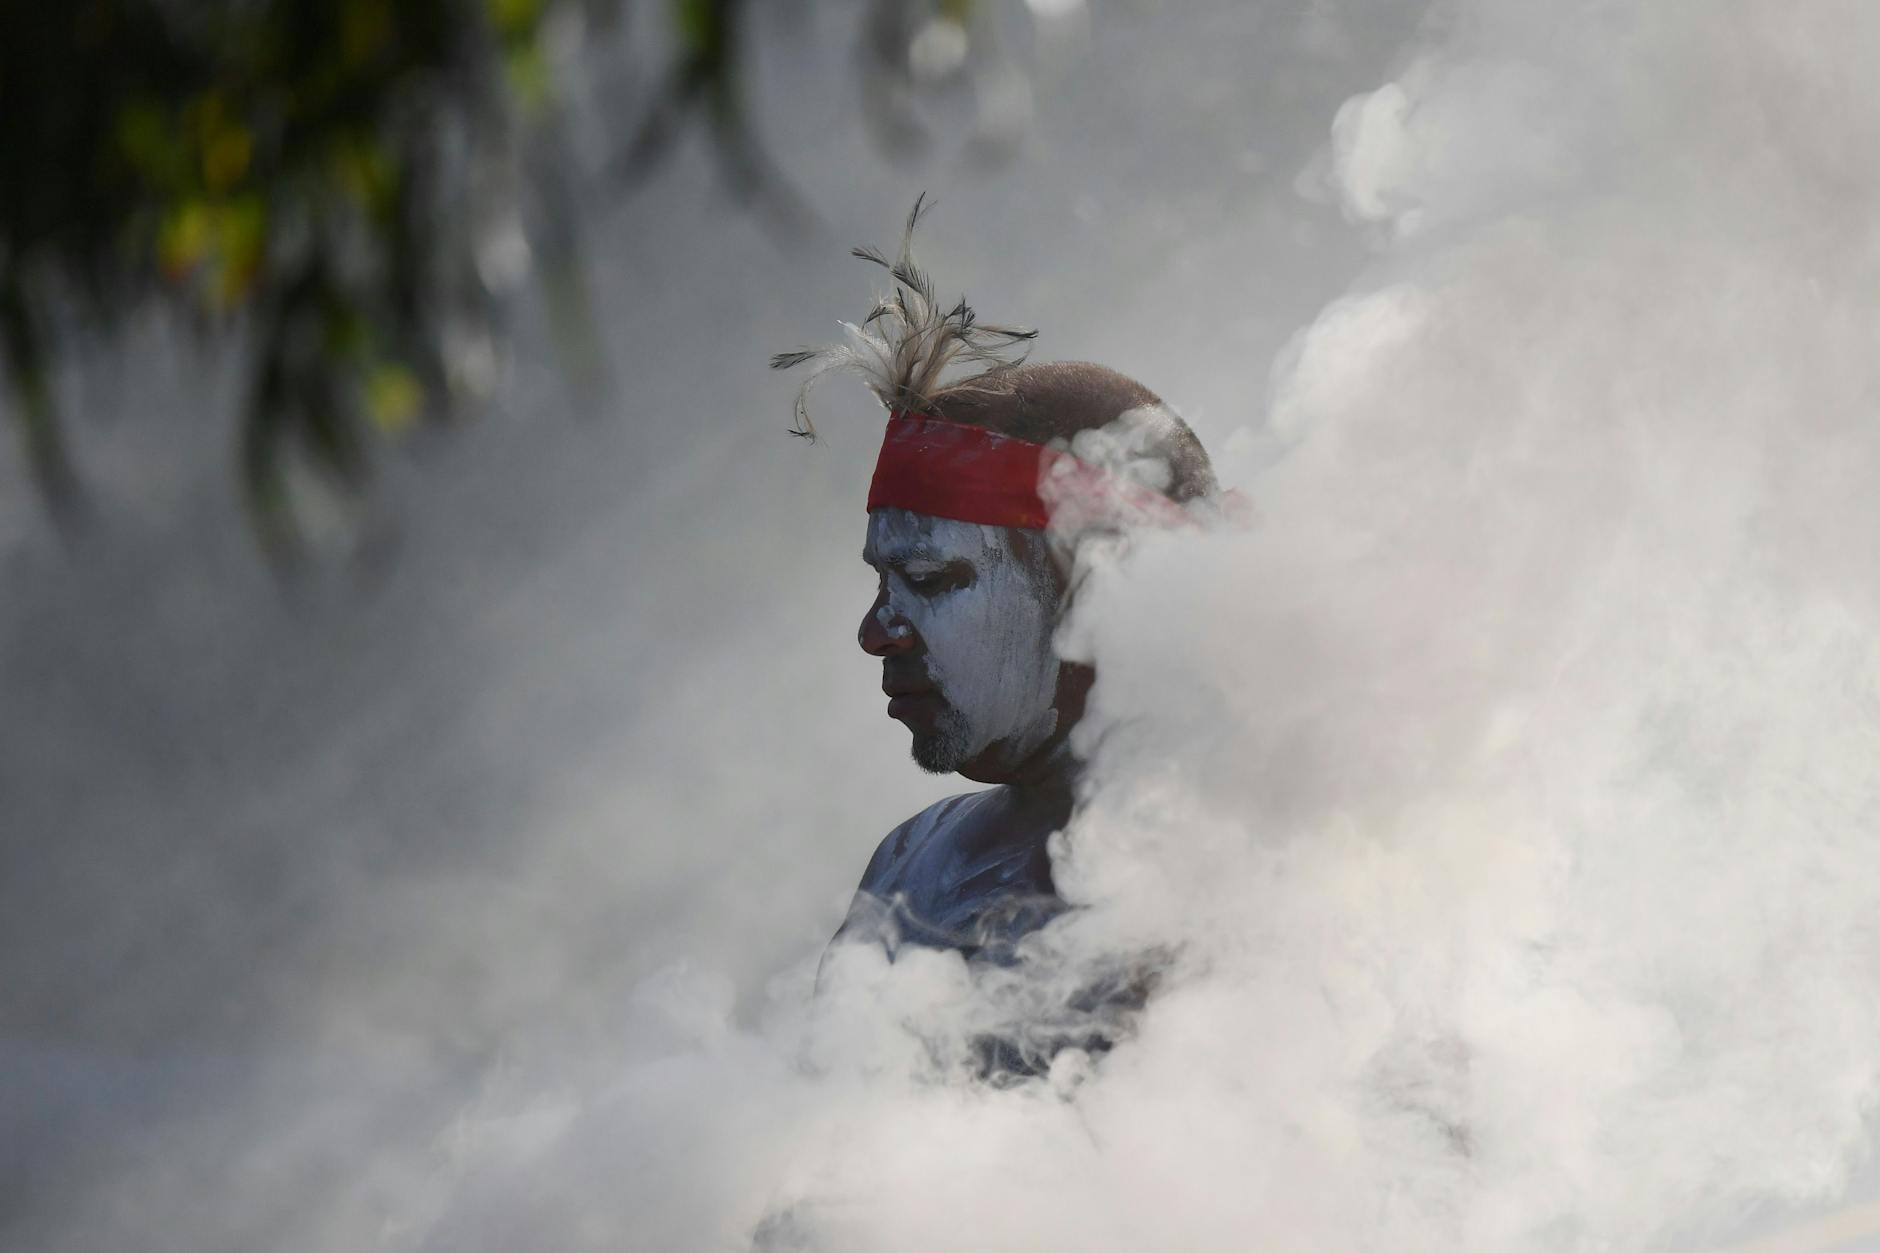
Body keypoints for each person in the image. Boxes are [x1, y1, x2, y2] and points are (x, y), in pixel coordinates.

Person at [773, 201, 1220, 995]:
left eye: (934, 580)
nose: (877, 633)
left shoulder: (1264, 866)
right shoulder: (914, 869)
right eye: (883, 583)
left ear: (1099, 588)